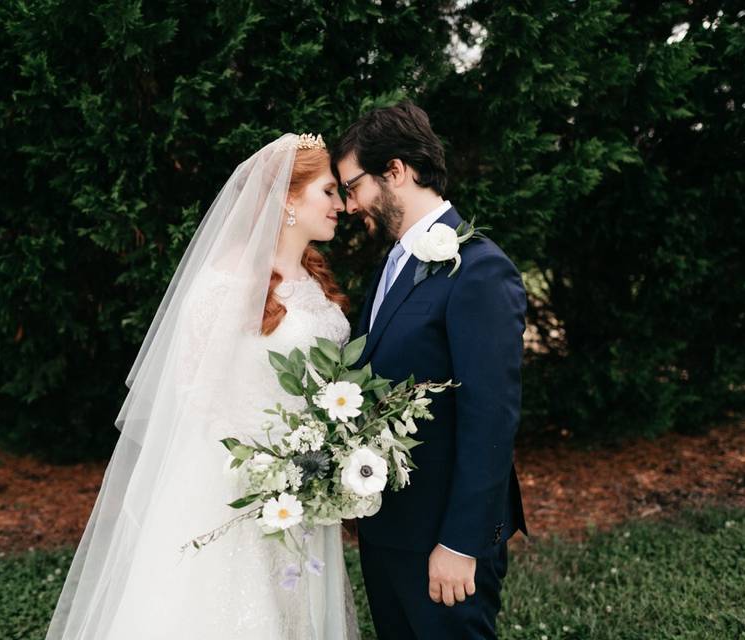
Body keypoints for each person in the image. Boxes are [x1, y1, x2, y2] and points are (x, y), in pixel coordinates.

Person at [45, 133, 359, 639]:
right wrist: (265, 463)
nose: (342, 205)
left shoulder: (314, 278)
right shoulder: (227, 281)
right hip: (238, 486)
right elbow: (193, 390)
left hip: (304, 486)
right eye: (328, 191)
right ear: (287, 199)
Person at [332, 101, 528, 639]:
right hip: (389, 532)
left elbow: (491, 416)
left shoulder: (480, 269)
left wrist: (461, 544)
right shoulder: (392, 266)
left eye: (352, 187)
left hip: (445, 543)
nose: (348, 206)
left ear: (394, 170)